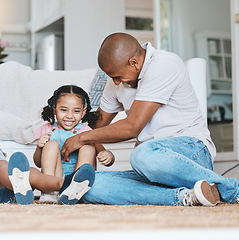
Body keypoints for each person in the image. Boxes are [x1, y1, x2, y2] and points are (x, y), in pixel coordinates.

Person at [61, 32, 239, 206]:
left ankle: (230, 188)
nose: (114, 82)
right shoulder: (116, 82)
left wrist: (80, 137)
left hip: (189, 153)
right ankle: (186, 196)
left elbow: (132, 127)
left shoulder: (165, 64)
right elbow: (96, 125)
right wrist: (69, 122)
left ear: (134, 62)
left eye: (117, 76)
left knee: (142, 155)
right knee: (85, 186)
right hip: (151, 169)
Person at [34, 85, 114, 203]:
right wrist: (39, 147)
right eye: (64, 110)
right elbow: (38, 163)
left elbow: (102, 153)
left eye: (76, 111)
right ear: (54, 109)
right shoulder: (47, 130)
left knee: (88, 147)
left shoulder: (86, 130)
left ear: (83, 112)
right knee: (51, 144)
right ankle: (49, 191)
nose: (69, 116)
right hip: (56, 179)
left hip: (78, 181)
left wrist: (109, 156)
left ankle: (78, 189)